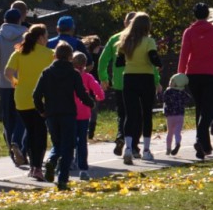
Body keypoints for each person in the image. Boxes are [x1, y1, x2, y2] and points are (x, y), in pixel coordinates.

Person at [33, 42, 92, 191]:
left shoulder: (47, 72)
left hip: (51, 114)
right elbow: (81, 93)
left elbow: (36, 95)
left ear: (55, 55)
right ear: (70, 57)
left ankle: (51, 160)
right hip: (68, 113)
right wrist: (90, 103)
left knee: (57, 143)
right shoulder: (73, 73)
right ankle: (62, 180)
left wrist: (42, 110)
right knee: (68, 146)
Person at [5, 24, 54, 181]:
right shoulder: (49, 54)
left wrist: (15, 82)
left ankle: (33, 166)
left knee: (31, 131)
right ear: (40, 37)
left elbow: (7, 72)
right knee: (40, 134)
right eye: (46, 37)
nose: (47, 40)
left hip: (21, 98)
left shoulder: (19, 52)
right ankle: (37, 167)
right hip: (41, 99)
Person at [178, 3, 213, 159]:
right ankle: (200, 139)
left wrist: (180, 74)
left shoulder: (189, 32)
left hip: (193, 73)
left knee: (200, 107)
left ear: (195, 15)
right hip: (211, 72)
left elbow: (184, 55)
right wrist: (212, 53)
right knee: (208, 108)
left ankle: (205, 146)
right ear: (208, 15)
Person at [0, 8, 29, 168]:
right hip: (23, 83)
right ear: (19, 20)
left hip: (4, 83)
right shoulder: (26, 36)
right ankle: (21, 146)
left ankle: (12, 151)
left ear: (4, 20)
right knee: (23, 116)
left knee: (8, 118)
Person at [117, 12, 162, 164]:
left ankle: (128, 148)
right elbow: (153, 57)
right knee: (146, 114)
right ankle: (146, 150)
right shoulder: (149, 41)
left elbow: (119, 62)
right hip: (146, 78)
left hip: (129, 78)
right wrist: (159, 64)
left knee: (130, 115)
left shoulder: (125, 40)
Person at [98, 12, 137, 157]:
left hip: (120, 82)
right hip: (137, 80)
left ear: (125, 22)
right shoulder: (142, 39)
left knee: (122, 113)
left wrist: (104, 78)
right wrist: (155, 80)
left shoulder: (115, 38)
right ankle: (133, 145)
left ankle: (121, 135)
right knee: (135, 114)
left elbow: (103, 60)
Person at [71, 51, 104, 180]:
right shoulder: (88, 77)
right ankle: (83, 168)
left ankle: (71, 160)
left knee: (71, 138)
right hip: (84, 112)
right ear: (85, 64)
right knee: (82, 141)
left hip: (70, 111)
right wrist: (98, 97)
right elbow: (98, 89)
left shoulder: (69, 76)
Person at [162, 73, 189, 156]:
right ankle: (177, 143)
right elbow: (188, 99)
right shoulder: (182, 92)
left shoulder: (168, 91)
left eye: (172, 81)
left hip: (170, 115)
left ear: (176, 83)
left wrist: (158, 94)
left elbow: (163, 99)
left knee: (170, 132)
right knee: (177, 132)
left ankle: (168, 148)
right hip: (180, 115)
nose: (170, 82)